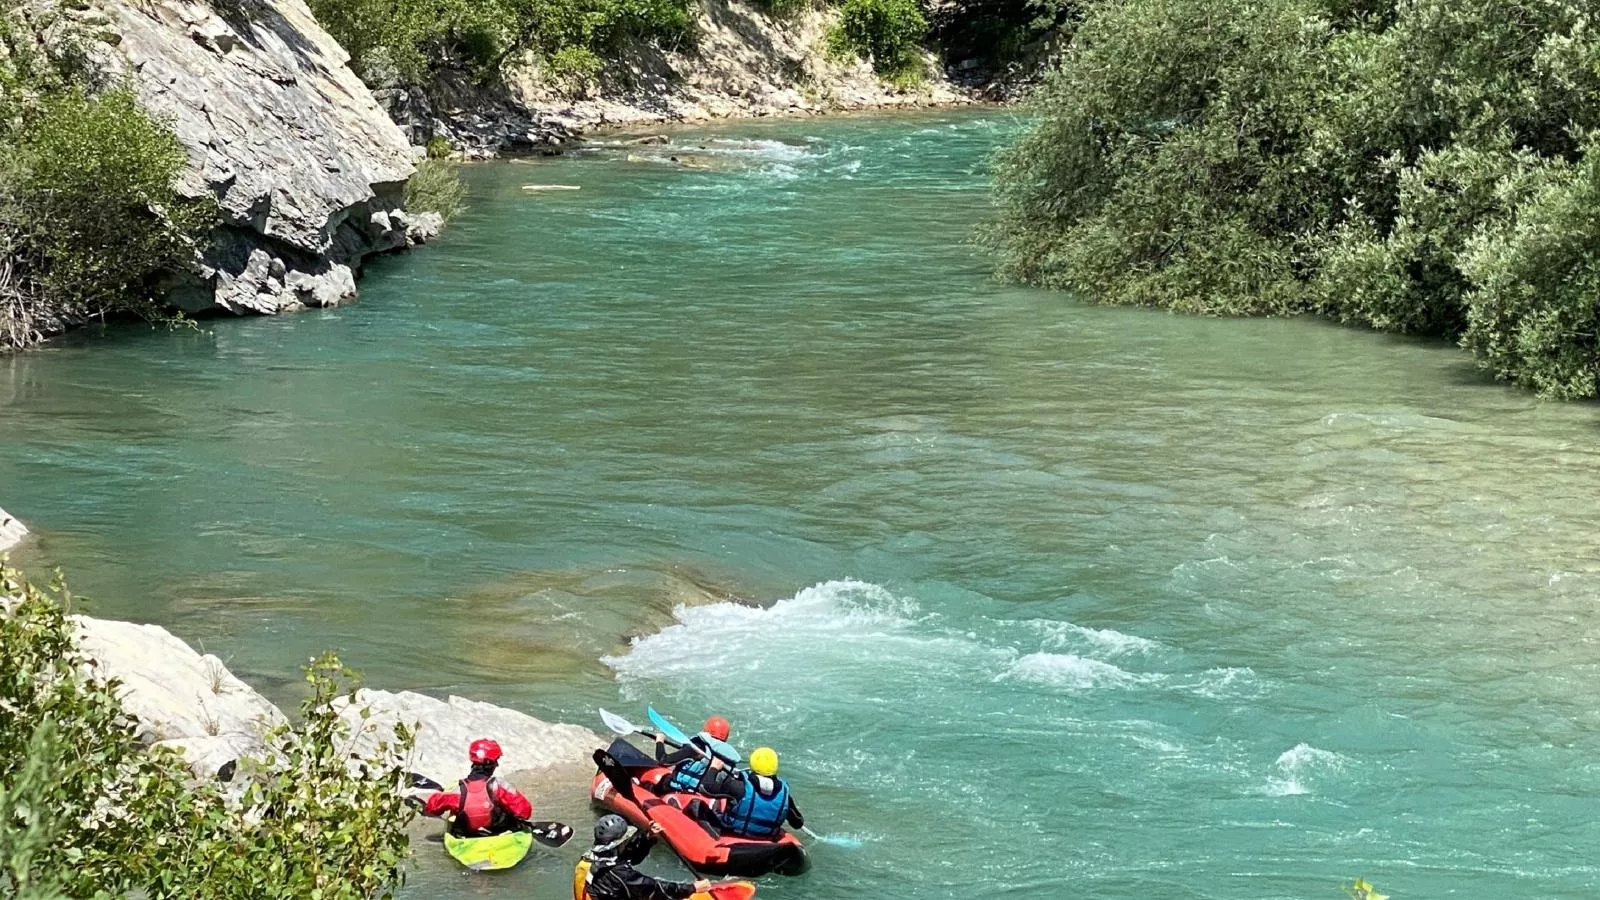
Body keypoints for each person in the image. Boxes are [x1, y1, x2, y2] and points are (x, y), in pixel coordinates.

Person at [574, 814, 711, 900]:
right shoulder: (619, 874)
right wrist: (692, 888)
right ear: (620, 842)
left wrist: (648, 837)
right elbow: (654, 889)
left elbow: (630, 857)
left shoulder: (589, 858)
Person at [420, 738, 534, 837]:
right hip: (499, 833)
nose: (497, 765)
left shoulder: (457, 790)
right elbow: (524, 812)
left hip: (468, 836)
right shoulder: (500, 786)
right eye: (496, 761)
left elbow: (432, 808)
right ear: (491, 764)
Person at [684, 747, 802, 841]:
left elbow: (705, 788)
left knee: (697, 804)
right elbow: (797, 823)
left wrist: (714, 768)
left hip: (733, 833)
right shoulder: (784, 794)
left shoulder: (738, 786)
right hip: (766, 837)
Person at [652, 716, 736, 794]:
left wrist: (660, 740)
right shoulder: (724, 756)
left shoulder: (696, 747)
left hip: (676, 790)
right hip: (698, 793)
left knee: (664, 779)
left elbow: (663, 760)